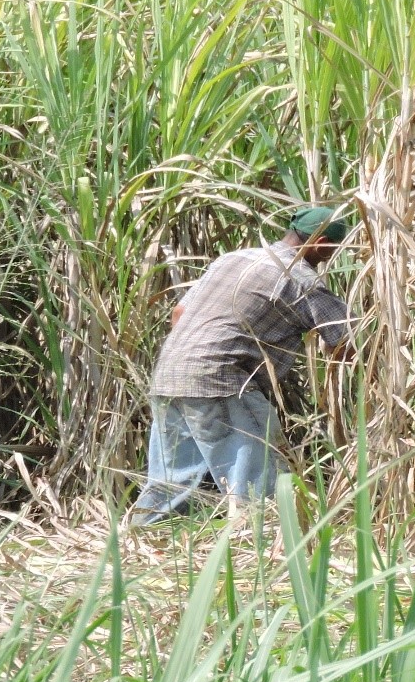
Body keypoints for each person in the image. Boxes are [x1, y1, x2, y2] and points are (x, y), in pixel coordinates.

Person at [129, 205, 355, 525]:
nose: (334, 254)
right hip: (222, 379)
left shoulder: (235, 258)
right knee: (255, 478)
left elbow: (178, 314)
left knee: (171, 481)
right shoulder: (301, 279)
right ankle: (260, 545)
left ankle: (138, 539)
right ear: (321, 244)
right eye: (335, 248)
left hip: (170, 374)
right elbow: (344, 342)